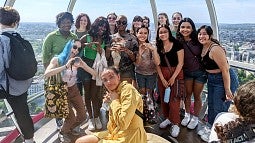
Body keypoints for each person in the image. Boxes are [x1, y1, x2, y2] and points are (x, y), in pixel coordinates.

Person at [75, 67, 147, 143]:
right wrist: (111, 102)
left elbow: (123, 123)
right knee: (80, 141)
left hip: (130, 136)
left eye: (111, 77)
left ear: (118, 77)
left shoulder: (128, 90)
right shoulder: (114, 92)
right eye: (105, 80)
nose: (108, 82)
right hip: (115, 132)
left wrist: (115, 101)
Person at [44, 40, 96, 142]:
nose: (76, 50)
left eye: (79, 49)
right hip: (62, 91)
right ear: (68, 46)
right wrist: (65, 66)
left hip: (74, 89)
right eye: (74, 47)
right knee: (70, 118)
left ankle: (69, 129)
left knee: (82, 116)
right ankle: (63, 132)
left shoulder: (77, 61)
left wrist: (83, 66)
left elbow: (94, 73)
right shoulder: (57, 60)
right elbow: (46, 74)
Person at [197, 25, 239, 142]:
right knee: (211, 104)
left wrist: (227, 89)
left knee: (219, 108)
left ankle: (219, 134)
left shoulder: (215, 49)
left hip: (223, 79)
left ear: (210, 35)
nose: (201, 36)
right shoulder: (203, 47)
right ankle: (210, 127)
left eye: (204, 34)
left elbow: (225, 70)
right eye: (200, 34)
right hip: (212, 79)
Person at [0, 6, 35, 143]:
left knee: (20, 113)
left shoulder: (2, 40)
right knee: (23, 114)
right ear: (15, 23)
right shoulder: (20, 38)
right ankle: (29, 140)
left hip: (8, 87)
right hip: (23, 84)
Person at [42, 11, 77, 131]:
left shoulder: (73, 37)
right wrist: (50, 75)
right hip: (56, 74)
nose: (66, 24)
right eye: (63, 22)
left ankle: (69, 124)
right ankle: (60, 124)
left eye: (68, 22)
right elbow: (46, 58)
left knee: (67, 99)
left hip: (69, 74)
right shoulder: (51, 37)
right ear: (59, 23)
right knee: (58, 99)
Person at [79, 16, 111, 131]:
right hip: (86, 68)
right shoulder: (86, 37)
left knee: (96, 94)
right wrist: (84, 46)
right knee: (87, 94)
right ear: (95, 25)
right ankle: (91, 119)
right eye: (100, 25)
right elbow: (76, 49)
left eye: (104, 26)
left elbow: (106, 57)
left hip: (98, 69)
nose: (102, 28)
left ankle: (96, 116)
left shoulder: (105, 40)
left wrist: (100, 50)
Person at [176, 18, 207, 130]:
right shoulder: (178, 42)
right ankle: (187, 114)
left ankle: (195, 118)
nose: (185, 29)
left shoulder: (198, 40)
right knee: (188, 94)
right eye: (183, 27)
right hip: (187, 72)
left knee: (197, 96)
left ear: (192, 28)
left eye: (188, 27)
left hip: (200, 72)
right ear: (179, 29)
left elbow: (209, 45)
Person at [156, 24, 184, 137]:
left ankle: (176, 123)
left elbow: (180, 63)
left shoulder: (177, 44)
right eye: (160, 32)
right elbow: (157, 64)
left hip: (176, 74)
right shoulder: (158, 46)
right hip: (162, 74)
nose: (163, 34)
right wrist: (162, 78)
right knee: (164, 98)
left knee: (174, 100)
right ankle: (168, 118)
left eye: (165, 32)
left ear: (169, 33)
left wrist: (173, 77)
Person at [107, 15, 138, 84]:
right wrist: (110, 49)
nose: (121, 24)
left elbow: (134, 59)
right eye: (119, 22)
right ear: (116, 23)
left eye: (123, 22)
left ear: (126, 24)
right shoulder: (110, 38)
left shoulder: (132, 38)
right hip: (113, 70)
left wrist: (126, 50)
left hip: (127, 71)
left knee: (126, 93)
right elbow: (107, 57)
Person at [135, 25, 159, 96]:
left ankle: (151, 106)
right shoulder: (134, 46)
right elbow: (137, 64)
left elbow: (157, 62)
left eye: (145, 33)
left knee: (149, 94)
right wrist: (139, 53)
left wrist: (153, 50)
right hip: (139, 73)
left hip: (151, 74)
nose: (143, 35)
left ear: (148, 34)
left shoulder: (152, 46)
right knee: (142, 94)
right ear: (137, 34)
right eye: (140, 33)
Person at [74, 13, 91, 97]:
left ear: (87, 22)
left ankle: (86, 105)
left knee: (87, 87)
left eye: (85, 20)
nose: (83, 22)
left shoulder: (89, 33)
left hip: (86, 62)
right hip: (75, 62)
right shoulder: (73, 33)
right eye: (81, 20)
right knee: (77, 87)